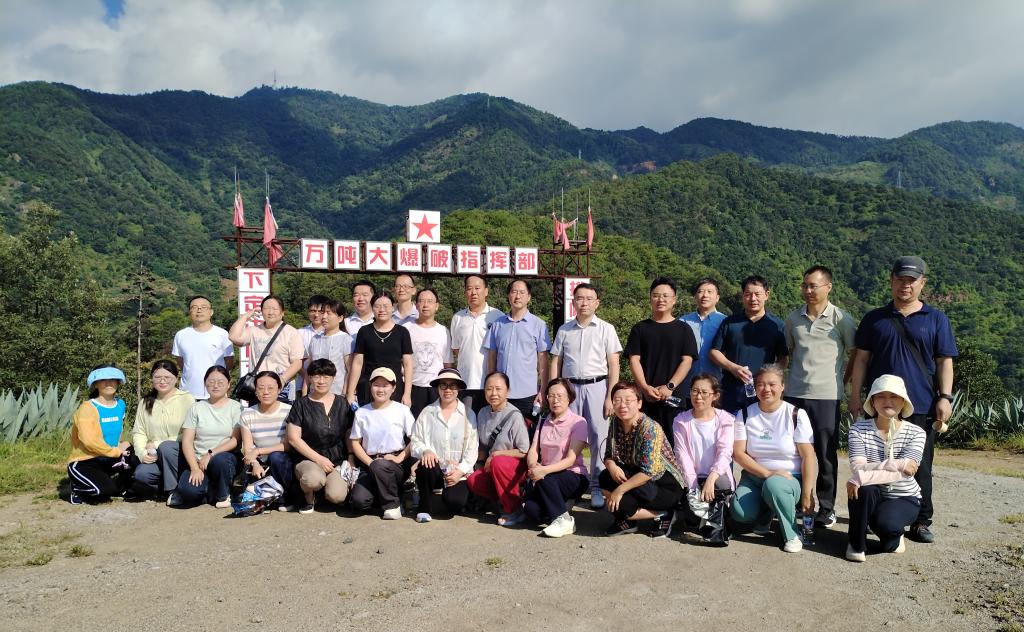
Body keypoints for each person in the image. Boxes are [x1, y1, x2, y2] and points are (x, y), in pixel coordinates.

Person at [849, 256, 957, 544]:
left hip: (920, 403)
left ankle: (921, 521)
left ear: (922, 283)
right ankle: (875, 514)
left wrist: (945, 397)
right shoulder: (874, 318)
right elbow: (861, 360)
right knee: (875, 461)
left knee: (920, 466)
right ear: (891, 281)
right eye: (900, 279)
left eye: (911, 280)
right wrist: (855, 396)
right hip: (879, 405)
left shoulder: (936, 319)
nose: (905, 285)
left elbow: (944, 361)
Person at [783, 265, 857, 528]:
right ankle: (794, 501)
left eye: (814, 285)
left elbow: (855, 354)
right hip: (794, 394)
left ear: (828, 287)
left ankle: (826, 507)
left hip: (827, 396)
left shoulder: (841, 319)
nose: (808, 290)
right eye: (805, 285)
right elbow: (787, 353)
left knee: (825, 453)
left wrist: (843, 382)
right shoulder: (793, 319)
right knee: (794, 451)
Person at [549, 282, 621, 508]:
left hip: (597, 386)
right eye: (580, 298)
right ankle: (569, 482)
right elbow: (556, 361)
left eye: (589, 299)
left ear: (597, 303)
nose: (584, 303)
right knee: (566, 434)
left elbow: (614, 363)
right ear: (573, 302)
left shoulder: (606, 328)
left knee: (599, 436)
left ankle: (596, 485)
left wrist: (610, 396)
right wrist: (553, 389)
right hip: (569, 388)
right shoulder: (564, 330)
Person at [730, 364, 816, 553]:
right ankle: (766, 514)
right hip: (755, 477)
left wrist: (807, 494)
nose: (766, 389)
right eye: (760, 384)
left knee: (774, 485)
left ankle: (792, 535)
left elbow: (809, 456)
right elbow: (738, 453)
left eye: (772, 384)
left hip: (788, 479)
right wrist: (767, 473)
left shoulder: (796, 414)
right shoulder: (745, 414)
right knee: (740, 511)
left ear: (782, 386)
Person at [845, 374, 926, 562]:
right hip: (873, 495)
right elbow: (858, 467)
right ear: (872, 402)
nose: (887, 401)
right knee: (863, 489)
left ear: (903, 402)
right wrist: (897, 463)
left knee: (887, 528)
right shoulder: (858, 430)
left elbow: (908, 471)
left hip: (904, 496)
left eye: (894, 396)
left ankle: (894, 536)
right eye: (880, 396)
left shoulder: (916, 433)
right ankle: (856, 544)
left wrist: (862, 476)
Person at [599, 381, 686, 537]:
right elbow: (608, 455)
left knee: (620, 503)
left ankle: (664, 513)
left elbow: (648, 471)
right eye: (617, 400)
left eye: (628, 400)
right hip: (638, 479)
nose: (622, 405)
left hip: (663, 485)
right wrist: (612, 466)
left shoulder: (650, 428)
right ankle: (629, 522)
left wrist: (619, 490)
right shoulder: (616, 422)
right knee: (605, 477)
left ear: (639, 403)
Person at [624, 276, 698, 443]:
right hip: (646, 399)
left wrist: (670, 386)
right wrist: (644, 388)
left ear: (674, 300)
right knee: (645, 443)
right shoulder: (640, 329)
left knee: (675, 444)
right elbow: (634, 360)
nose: (660, 299)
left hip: (674, 399)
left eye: (665, 296)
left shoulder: (684, 329)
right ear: (650, 298)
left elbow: (687, 361)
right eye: (656, 295)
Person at [710, 275, 788, 414]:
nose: (753, 299)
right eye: (748, 294)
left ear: (766, 295)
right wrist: (733, 368)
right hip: (731, 389)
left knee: (760, 425)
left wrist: (770, 377)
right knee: (730, 425)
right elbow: (714, 352)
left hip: (763, 391)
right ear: (743, 296)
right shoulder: (730, 322)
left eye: (757, 294)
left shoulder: (777, 325)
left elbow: (783, 359)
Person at [285, 359, 354, 513]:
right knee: (312, 480)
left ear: (333, 378)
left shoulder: (342, 403)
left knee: (337, 496)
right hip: (308, 458)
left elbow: (349, 433)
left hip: (337, 459)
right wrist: (319, 459)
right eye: (316, 376)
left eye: (326, 377)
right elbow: (293, 439)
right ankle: (308, 496)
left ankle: (323, 493)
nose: (321, 381)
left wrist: (351, 457)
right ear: (309, 378)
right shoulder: (300, 404)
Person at [523, 378, 589, 538]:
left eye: (560, 396)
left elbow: (570, 459)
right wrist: (533, 466)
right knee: (531, 510)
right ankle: (562, 505)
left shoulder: (579, 422)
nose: (555, 400)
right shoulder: (543, 421)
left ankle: (564, 521)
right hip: (546, 476)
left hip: (573, 475)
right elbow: (533, 449)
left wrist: (543, 470)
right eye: (551, 396)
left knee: (546, 479)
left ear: (569, 398)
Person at [410, 368, 478, 522]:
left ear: (458, 388)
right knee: (426, 465)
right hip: (433, 469)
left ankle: (443, 498)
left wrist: (460, 471)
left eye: (453, 385)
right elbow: (415, 440)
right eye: (443, 385)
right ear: (438, 388)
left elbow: (472, 448)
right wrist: (425, 450)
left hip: (456, 471)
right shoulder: (427, 412)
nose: (448, 390)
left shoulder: (468, 414)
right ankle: (424, 507)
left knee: (455, 502)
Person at [348, 367, 416, 519]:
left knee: (381, 466)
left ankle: (393, 505)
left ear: (393, 388)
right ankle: (393, 494)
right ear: (370, 386)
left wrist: (399, 458)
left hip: (395, 464)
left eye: (385, 385)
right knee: (359, 501)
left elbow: (416, 438)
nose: (380, 389)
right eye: (376, 385)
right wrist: (370, 463)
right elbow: (355, 443)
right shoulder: (362, 412)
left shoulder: (402, 410)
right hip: (370, 462)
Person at [170, 366, 242, 508]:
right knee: (189, 492)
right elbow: (187, 441)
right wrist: (194, 468)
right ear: (205, 383)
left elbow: (235, 440)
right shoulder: (196, 408)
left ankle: (223, 494)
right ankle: (210, 490)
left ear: (228, 384)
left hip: (224, 459)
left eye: (220, 382)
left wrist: (210, 454)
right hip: (199, 461)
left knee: (221, 460)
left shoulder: (236, 407)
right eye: (211, 382)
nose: (215, 385)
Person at [466, 371, 530, 526]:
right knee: (473, 480)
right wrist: (477, 465)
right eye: (489, 389)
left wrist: (497, 454)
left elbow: (524, 451)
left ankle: (514, 509)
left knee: (498, 462)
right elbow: (483, 445)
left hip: (514, 467)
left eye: (498, 389)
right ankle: (502, 500)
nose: (493, 393)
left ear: (508, 391)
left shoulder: (514, 416)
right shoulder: (483, 413)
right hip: (493, 465)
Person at [485, 279, 551, 425]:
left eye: (522, 292)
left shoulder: (539, 325)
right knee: (499, 433)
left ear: (529, 297)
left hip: (527, 394)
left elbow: (543, 361)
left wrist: (543, 390)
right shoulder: (497, 324)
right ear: (508, 296)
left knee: (527, 433)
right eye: (514, 292)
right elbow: (492, 357)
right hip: (500, 393)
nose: (518, 296)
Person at [67, 365, 132, 504]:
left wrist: (123, 445)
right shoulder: (88, 408)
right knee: (104, 492)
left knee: (134, 453)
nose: (109, 383)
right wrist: (116, 451)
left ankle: (119, 486)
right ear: (95, 384)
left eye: (113, 379)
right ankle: (77, 488)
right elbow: (90, 442)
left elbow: (116, 432)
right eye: (103, 380)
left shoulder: (120, 404)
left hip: (109, 458)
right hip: (86, 461)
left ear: (118, 382)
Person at [130, 360, 196, 499]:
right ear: (152, 379)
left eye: (167, 377)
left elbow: (191, 432)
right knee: (141, 474)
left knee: (166, 447)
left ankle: (173, 491)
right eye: (157, 377)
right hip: (156, 456)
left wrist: (158, 444)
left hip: (180, 455)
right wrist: (142, 453)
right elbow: (139, 432)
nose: (162, 381)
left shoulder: (187, 399)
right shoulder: (145, 402)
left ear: (176, 379)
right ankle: (166, 489)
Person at [672, 373, 736, 511]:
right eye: (694, 391)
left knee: (721, 485)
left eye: (704, 392)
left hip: (716, 476)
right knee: (693, 515)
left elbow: (725, 452)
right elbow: (682, 454)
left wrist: (711, 478)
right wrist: (694, 487)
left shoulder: (726, 419)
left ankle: (718, 514)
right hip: (691, 478)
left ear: (715, 396)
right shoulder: (680, 421)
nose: (698, 396)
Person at [228, 294, 305, 402]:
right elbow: (233, 336)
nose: (270, 312)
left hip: (283, 387)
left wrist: (281, 380)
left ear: (282, 312)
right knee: (256, 412)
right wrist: (245, 317)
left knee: (282, 413)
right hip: (258, 387)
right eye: (266, 308)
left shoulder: (291, 333)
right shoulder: (254, 331)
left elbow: (297, 363)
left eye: (274, 309)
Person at [346, 290, 414, 407]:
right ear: (372, 308)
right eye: (377, 306)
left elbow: (408, 365)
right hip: (369, 386)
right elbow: (357, 363)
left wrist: (407, 394)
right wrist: (350, 392)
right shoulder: (364, 331)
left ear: (393, 308)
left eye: (386, 306)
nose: (382, 310)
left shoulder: (402, 332)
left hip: (394, 387)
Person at [450, 274, 503, 414]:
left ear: (486, 291)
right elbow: (456, 350)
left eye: (477, 288)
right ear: (465, 292)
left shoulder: (498, 316)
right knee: (466, 423)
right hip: (465, 383)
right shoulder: (458, 318)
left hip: (491, 385)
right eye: (469, 288)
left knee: (489, 422)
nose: (473, 292)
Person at [238, 371, 293, 502]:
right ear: (255, 391)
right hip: (261, 463)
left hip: (283, 461)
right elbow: (248, 448)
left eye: (270, 388)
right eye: (261, 388)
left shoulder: (289, 411)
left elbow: (289, 445)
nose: (266, 392)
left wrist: (258, 451)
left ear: (279, 389)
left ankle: (286, 497)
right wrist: (255, 463)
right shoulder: (247, 414)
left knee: (276, 457)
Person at [171, 295, 234, 400]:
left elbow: (229, 362)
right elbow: (181, 362)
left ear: (211, 312)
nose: (199, 310)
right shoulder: (181, 335)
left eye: (203, 307)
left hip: (215, 393)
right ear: (190, 312)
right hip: (187, 394)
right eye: (194, 307)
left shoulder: (222, 334)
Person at [404, 288, 454, 417]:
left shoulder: (443, 331)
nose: (425, 305)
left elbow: (447, 364)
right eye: (422, 301)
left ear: (437, 306)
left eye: (430, 301)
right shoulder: (406, 329)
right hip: (411, 387)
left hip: (436, 388)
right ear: (416, 305)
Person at [679, 278, 726, 404]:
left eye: (710, 292)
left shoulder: (726, 322)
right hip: (687, 388)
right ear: (695, 296)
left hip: (716, 388)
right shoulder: (683, 322)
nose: (705, 295)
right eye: (700, 291)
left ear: (717, 297)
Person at [305, 298, 353, 397]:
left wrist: (345, 395)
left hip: (337, 394)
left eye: (329, 313)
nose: (324, 316)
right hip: (314, 394)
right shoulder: (315, 339)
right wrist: (304, 391)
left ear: (340, 318)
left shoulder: (346, 340)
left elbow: (350, 371)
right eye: (323, 312)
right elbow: (309, 368)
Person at [296, 294, 328, 397]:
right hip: (302, 385)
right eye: (313, 311)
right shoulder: (299, 333)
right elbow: (295, 361)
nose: (316, 315)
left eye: (320, 311)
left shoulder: (332, 334)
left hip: (327, 385)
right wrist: (309, 378)